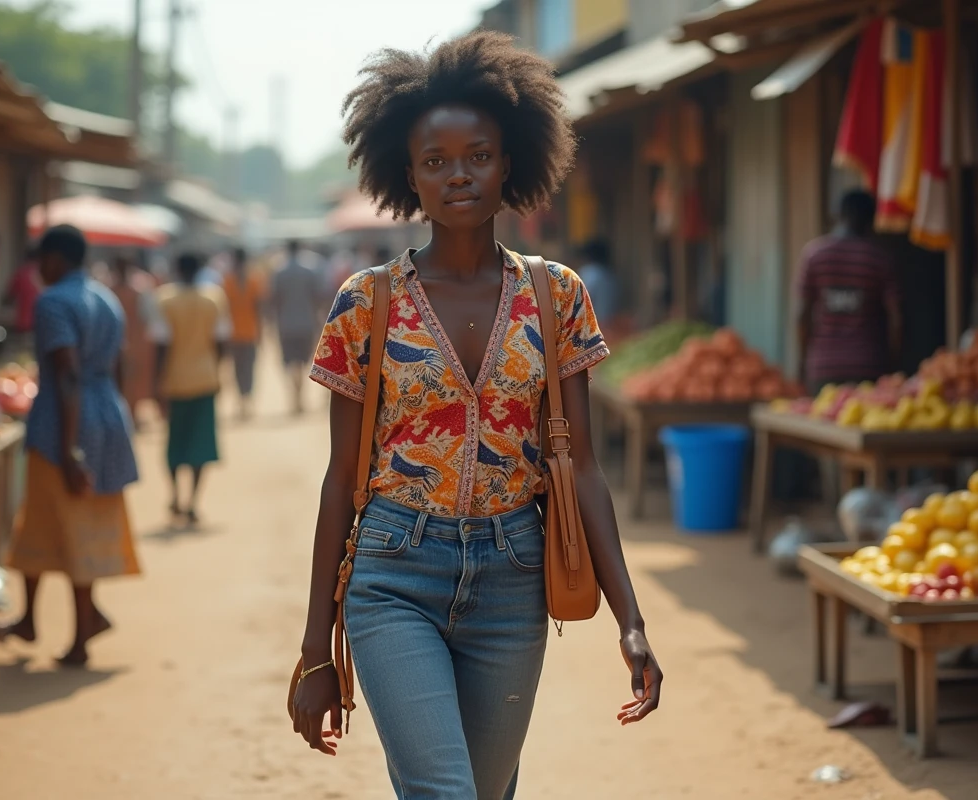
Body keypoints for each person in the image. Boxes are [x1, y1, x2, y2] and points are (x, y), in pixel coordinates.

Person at [290, 32, 663, 798]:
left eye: (478, 155)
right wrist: (316, 651)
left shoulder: (557, 296)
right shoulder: (366, 302)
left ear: (511, 163)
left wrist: (631, 619)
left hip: (514, 578)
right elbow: (338, 480)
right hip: (394, 572)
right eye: (436, 161)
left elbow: (583, 468)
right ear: (409, 175)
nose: (458, 175)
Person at [0, 225, 140, 666]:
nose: (38, 270)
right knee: (44, 522)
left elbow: (68, 374)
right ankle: (32, 619)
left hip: (64, 424)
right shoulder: (106, 299)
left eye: (41, 260)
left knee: (67, 523)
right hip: (106, 412)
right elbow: (117, 366)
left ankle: (80, 633)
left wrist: (72, 450)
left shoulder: (52, 302)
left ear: (55, 258)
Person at [796, 189, 903, 393]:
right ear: (870, 220)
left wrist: (803, 363)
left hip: (824, 367)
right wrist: (892, 364)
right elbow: (896, 319)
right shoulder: (878, 259)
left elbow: (802, 315)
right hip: (868, 366)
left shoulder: (814, 255)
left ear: (839, 215)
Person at [152, 253, 232, 524]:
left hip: (175, 380)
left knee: (175, 442)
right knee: (201, 444)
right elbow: (220, 340)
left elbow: (162, 344)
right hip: (205, 378)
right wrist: (217, 370)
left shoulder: (165, 299)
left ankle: (175, 495)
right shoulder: (213, 298)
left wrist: (157, 380)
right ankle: (193, 501)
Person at [270, 239, 324, 414]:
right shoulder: (309, 270)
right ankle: (300, 395)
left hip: (286, 323)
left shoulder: (279, 271)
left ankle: (295, 396)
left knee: (290, 361)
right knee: (303, 361)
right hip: (306, 322)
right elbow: (317, 298)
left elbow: (275, 300)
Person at [109, 254, 157, 423]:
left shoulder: (140, 289)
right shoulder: (108, 289)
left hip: (137, 343)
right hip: (116, 343)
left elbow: (148, 316)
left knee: (135, 380)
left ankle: (132, 415)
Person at [222, 246, 266, 419]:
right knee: (244, 368)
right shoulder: (248, 279)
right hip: (242, 332)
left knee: (242, 368)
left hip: (241, 333)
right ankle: (244, 399)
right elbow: (259, 309)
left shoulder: (230, 280)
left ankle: (244, 399)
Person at [2, 248, 43, 333]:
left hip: (23, 324)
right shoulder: (45, 275)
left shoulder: (21, 274)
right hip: (41, 323)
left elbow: (8, 298)